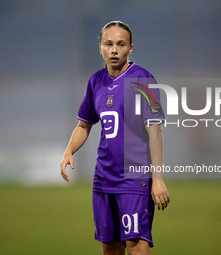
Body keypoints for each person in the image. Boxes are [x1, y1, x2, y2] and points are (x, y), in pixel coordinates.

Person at [60, 21, 170, 255]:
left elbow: (155, 131)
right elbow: (84, 124)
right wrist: (69, 150)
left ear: (130, 48)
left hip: (134, 178)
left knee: (136, 249)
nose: (114, 50)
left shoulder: (143, 79)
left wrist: (157, 178)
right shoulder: (95, 81)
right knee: (110, 249)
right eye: (108, 44)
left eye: (121, 44)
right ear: (100, 47)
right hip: (103, 179)